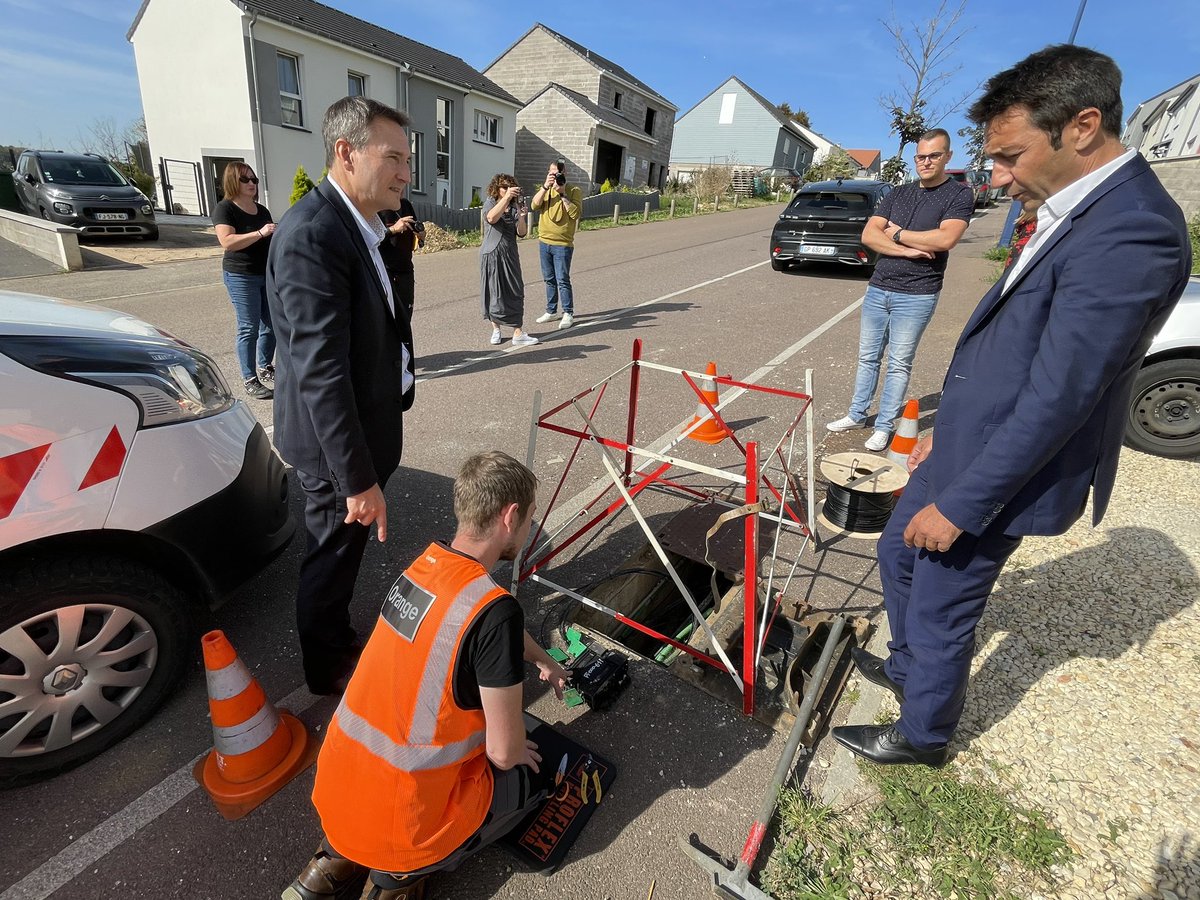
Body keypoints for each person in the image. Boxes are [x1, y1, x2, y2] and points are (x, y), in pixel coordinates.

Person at [832, 45, 1192, 768]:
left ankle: (924, 733)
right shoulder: (1073, 207)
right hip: (970, 441)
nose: (996, 175)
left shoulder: (1132, 229)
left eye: (1010, 155)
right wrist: (947, 431)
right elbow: (1013, 351)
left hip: (1005, 469)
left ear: (1082, 126)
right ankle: (908, 669)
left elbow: (1062, 394)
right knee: (899, 554)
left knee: (943, 599)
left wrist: (964, 506)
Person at [283, 451, 569, 900]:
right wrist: (518, 751)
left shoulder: (424, 569)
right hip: (406, 823)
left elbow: (476, 623)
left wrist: (541, 659)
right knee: (531, 776)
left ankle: (331, 865)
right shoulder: (496, 613)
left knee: (360, 825)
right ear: (510, 516)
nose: (529, 527)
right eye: (530, 518)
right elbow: (502, 752)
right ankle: (397, 880)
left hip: (338, 795)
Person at [266, 96, 417, 696]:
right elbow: (321, 371)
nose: (406, 173)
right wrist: (356, 480)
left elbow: (382, 320)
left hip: (362, 434)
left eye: (408, 159)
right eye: (394, 158)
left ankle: (335, 644)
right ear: (346, 152)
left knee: (343, 553)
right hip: (336, 456)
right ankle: (327, 668)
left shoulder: (362, 225)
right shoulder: (315, 233)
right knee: (330, 559)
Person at [826, 129, 975, 452]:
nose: (926, 162)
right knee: (868, 357)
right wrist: (907, 249)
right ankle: (857, 414)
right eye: (921, 156)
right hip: (879, 287)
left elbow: (945, 239)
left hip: (917, 293)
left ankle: (883, 426)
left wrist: (897, 233)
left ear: (948, 157)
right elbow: (869, 235)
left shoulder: (959, 195)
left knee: (898, 363)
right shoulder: (899, 193)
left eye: (934, 156)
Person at [213, 162, 276, 400]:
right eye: (245, 180)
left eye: (254, 180)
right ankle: (250, 378)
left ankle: (265, 366)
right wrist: (260, 233)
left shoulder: (262, 211)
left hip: (265, 274)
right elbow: (227, 242)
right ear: (233, 181)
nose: (251, 183)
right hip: (241, 275)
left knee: (271, 324)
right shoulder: (225, 208)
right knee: (249, 327)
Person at [481, 173, 537, 346]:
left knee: (515, 290)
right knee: (494, 292)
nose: (507, 190)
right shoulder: (491, 202)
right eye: (504, 187)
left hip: (510, 254)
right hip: (492, 254)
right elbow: (491, 218)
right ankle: (496, 330)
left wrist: (521, 216)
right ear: (497, 189)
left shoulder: (514, 206)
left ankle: (518, 333)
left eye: (510, 187)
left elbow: (522, 232)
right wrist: (506, 199)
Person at [531, 158, 581, 330]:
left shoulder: (574, 190)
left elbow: (575, 214)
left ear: (565, 173)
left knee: (562, 280)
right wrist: (546, 186)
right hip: (544, 241)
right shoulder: (546, 189)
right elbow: (534, 205)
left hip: (563, 244)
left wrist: (562, 193)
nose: (555, 176)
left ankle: (568, 312)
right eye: (552, 173)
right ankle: (551, 310)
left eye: (558, 173)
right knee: (549, 279)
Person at [379, 195, 423, 320]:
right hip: (386, 272)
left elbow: (415, 231)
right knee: (387, 319)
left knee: (405, 317)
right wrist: (393, 229)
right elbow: (371, 238)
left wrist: (421, 236)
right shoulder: (378, 207)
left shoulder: (406, 205)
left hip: (406, 271)